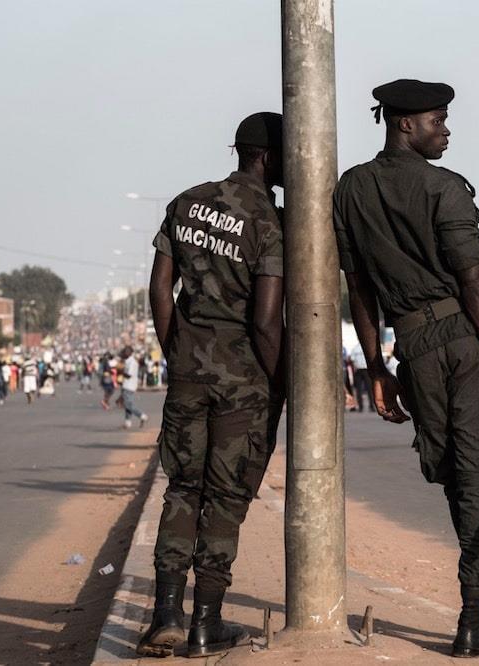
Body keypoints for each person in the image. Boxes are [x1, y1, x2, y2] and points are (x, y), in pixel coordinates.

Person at [333, 80, 479, 658]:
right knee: (475, 479)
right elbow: (475, 281)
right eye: (437, 120)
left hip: (411, 348)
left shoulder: (351, 190)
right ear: (403, 125)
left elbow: (359, 290)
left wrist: (376, 367)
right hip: (463, 344)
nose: (446, 129)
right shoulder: (444, 188)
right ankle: (471, 620)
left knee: (459, 479)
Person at [137, 112, 285, 658]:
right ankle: (206, 621)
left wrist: (177, 349)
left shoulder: (187, 202)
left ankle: (165, 616)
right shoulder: (270, 222)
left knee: (181, 488)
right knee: (224, 496)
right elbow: (267, 321)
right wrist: (278, 381)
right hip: (242, 375)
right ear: (269, 158)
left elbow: (159, 286)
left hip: (187, 367)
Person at [119, 346, 149, 429]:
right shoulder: (128, 361)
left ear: (129, 353)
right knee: (128, 404)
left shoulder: (132, 362)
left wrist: (120, 371)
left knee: (128, 405)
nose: (123, 354)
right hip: (127, 385)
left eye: (125, 352)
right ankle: (127, 423)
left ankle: (142, 416)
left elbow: (129, 375)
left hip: (129, 385)